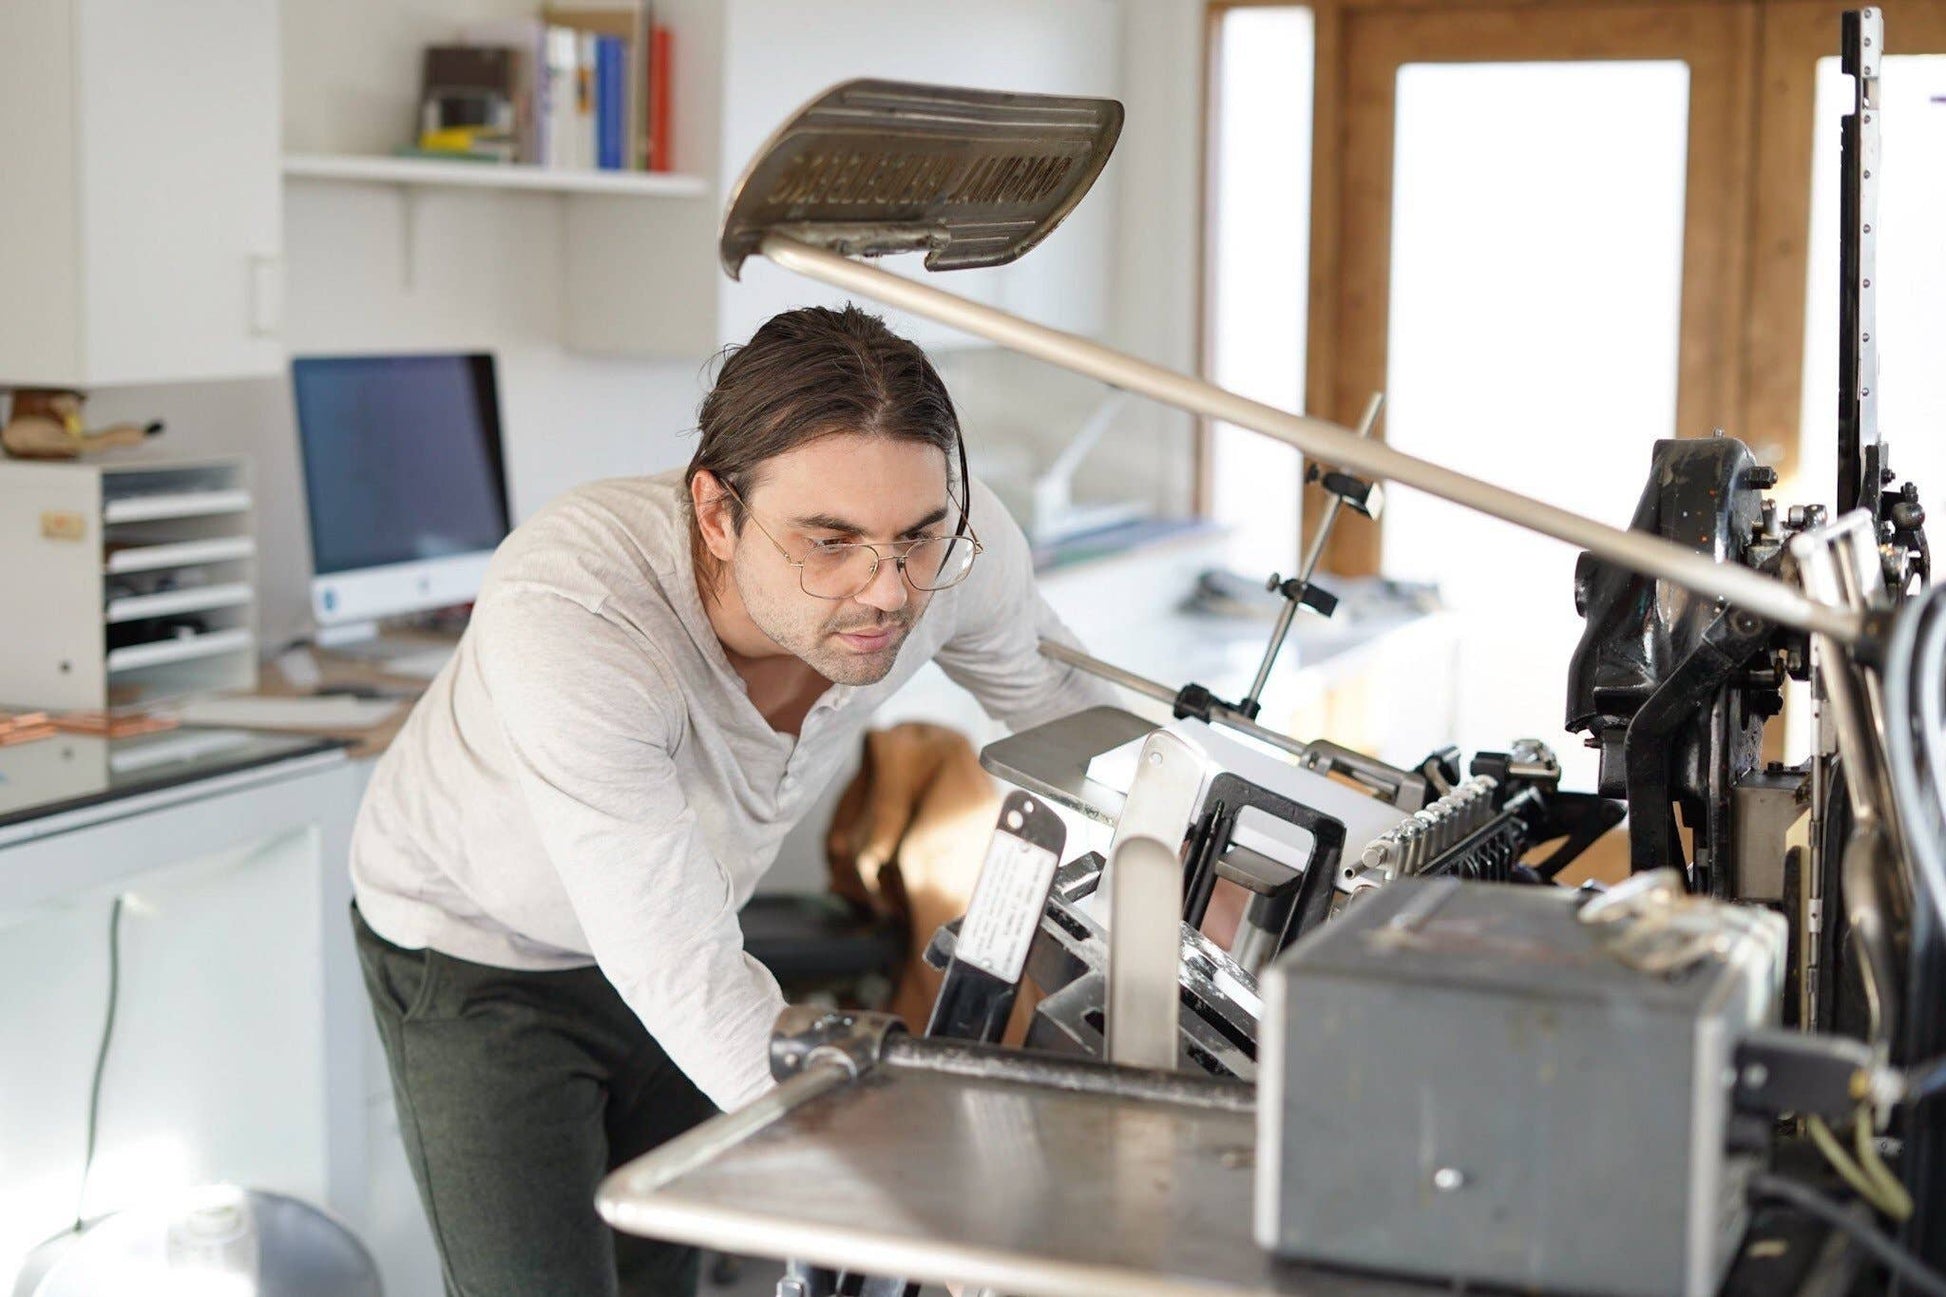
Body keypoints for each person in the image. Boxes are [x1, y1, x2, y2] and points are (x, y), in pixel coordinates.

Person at [347, 303, 1114, 1296]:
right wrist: (903, 1196)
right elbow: (672, 961)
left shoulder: (955, 545)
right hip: (479, 952)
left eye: (915, 537)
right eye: (828, 541)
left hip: (690, 920)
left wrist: (1200, 885)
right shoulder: (576, 608)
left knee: (660, 1272)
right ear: (715, 514)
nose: (886, 591)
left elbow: (1064, 708)